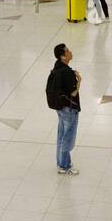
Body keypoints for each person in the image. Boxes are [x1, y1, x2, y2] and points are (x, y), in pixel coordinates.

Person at [47, 43, 81, 176]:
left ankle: (61, 162)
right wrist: (79, 80)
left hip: (60, 108)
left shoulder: (57, 68)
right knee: (68, 137)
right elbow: (73, 93)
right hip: (69, 109)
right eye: (68, 51)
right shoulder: (67, 73)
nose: (70, 52)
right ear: (63, 56)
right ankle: (64, 165)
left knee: (61, 135)